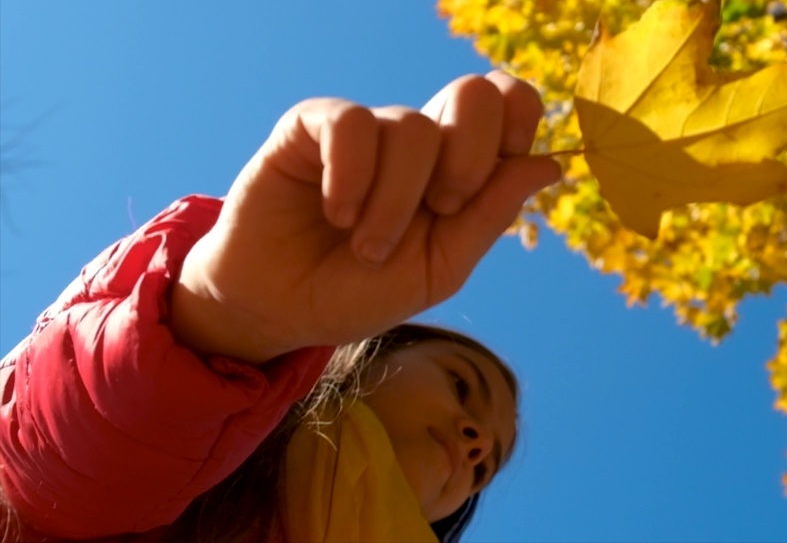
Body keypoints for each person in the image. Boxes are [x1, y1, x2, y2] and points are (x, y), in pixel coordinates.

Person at [0, 72, 563, 542]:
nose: (478, 443)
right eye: (462, 386)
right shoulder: (206, 470)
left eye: (488, 465)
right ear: (371, 352)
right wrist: (225, 319)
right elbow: (50, 470)